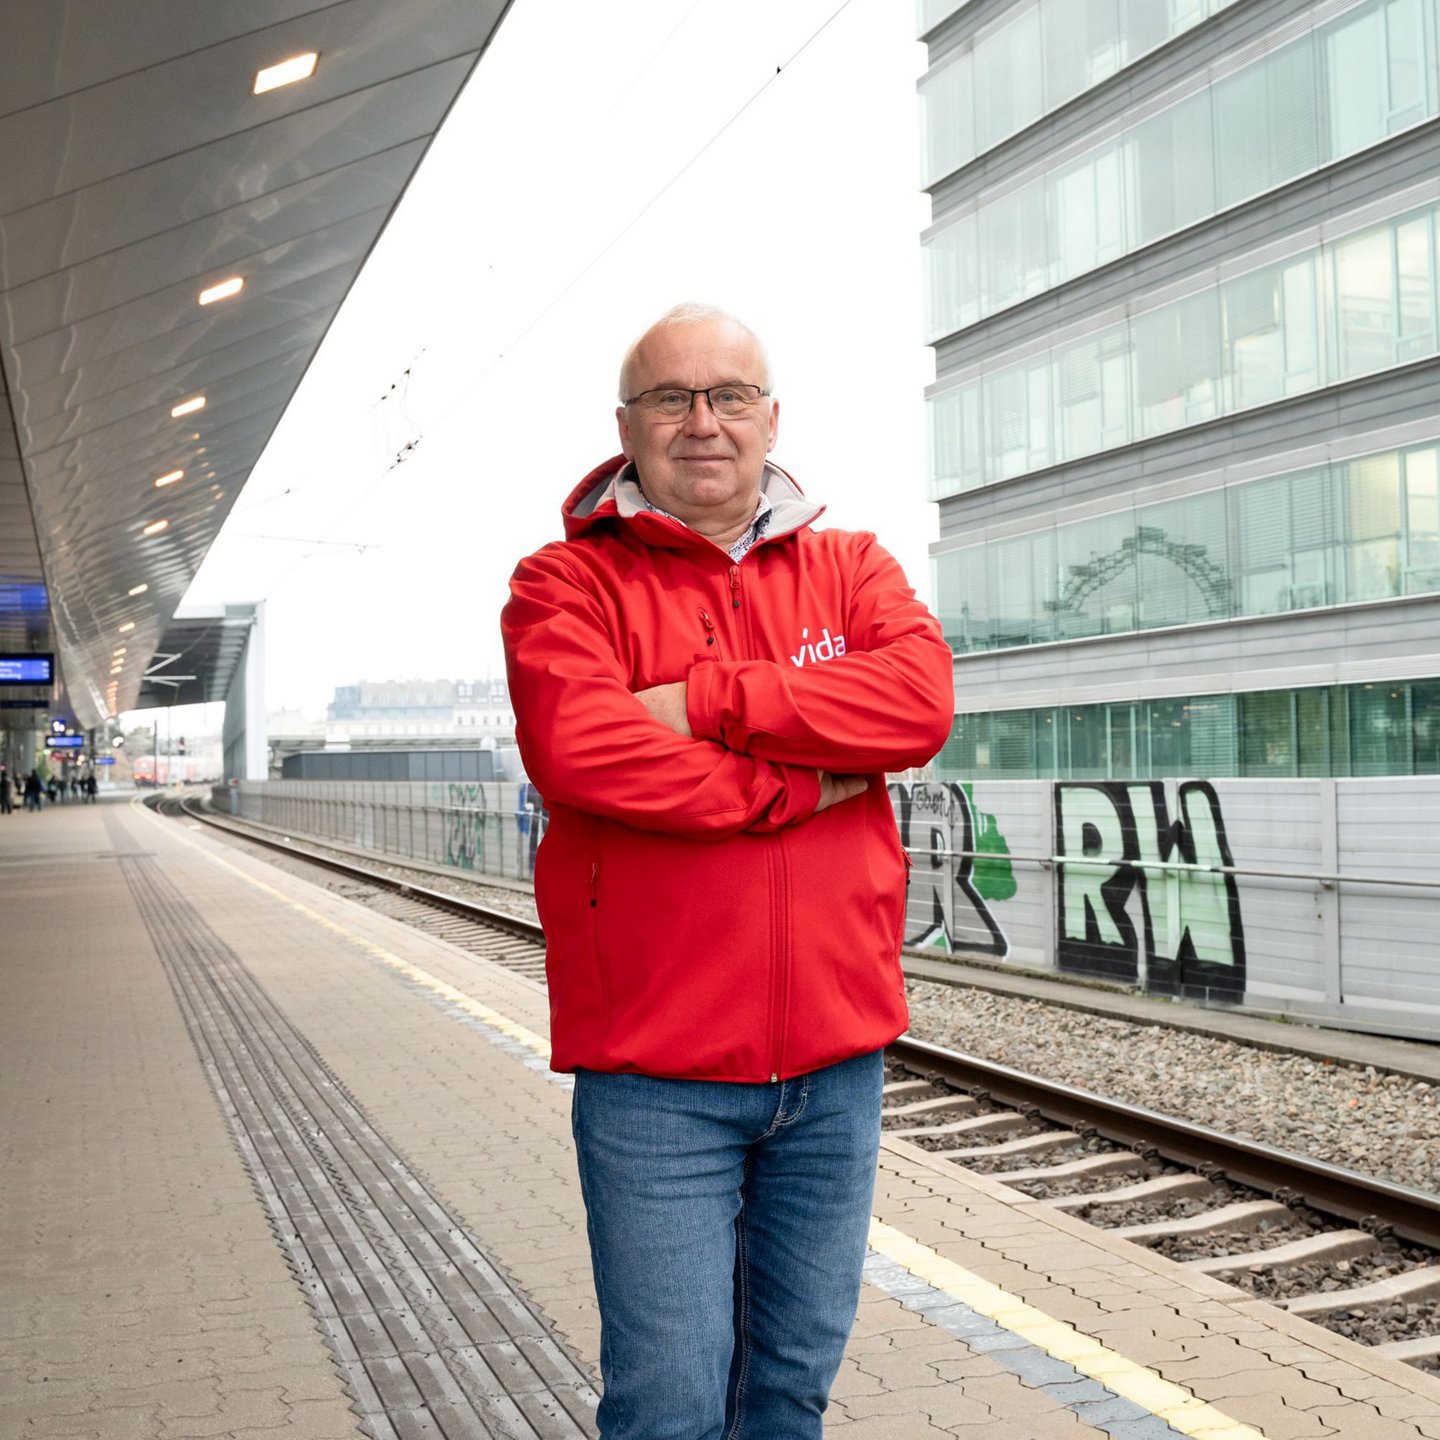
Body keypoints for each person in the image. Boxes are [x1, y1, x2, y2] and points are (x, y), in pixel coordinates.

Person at [501, 303, 954, 1438]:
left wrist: (708, 702)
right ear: (628, 425)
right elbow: (589, 755)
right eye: (672, 398)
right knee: (669, 1407)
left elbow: (916, 703)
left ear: (770, 418)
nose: (703, 423)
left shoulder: (851, 567)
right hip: (658, 1077)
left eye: (729, 397)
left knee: (788, 1397)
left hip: (837, 1068)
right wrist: (804, 785)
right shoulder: (564, 586)